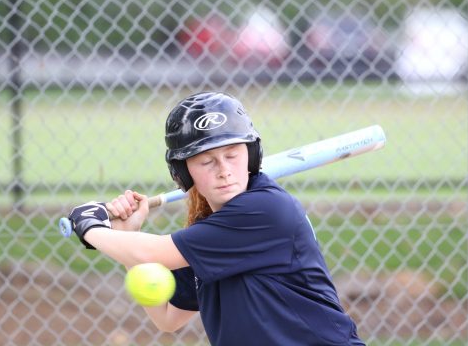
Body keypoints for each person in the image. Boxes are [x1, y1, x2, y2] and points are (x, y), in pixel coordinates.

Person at [67, 91, 365, 346]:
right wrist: (127, 234)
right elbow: (168, 318)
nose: (223, 169)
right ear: (183, 173)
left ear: (251, 154)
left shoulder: (266, 209)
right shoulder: (209, 233)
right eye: (207, 161)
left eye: (232, 154)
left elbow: (151, 252)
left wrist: (90, 226)